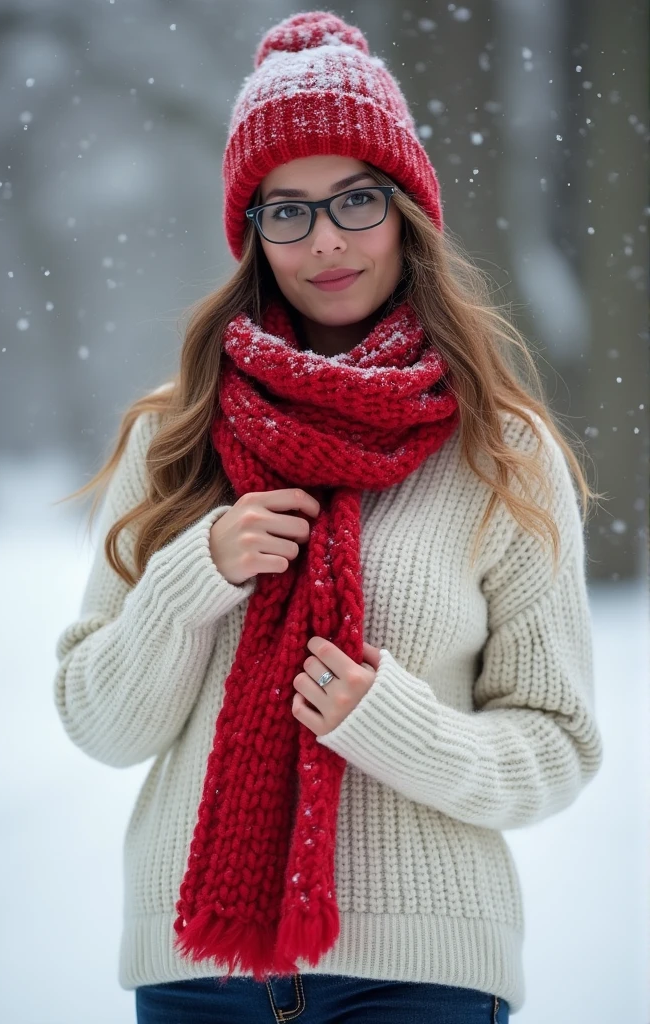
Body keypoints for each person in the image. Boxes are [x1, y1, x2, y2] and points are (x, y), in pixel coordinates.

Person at [53, 11, 604, 1024]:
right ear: (251, 231)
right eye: (287, 211)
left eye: (356, 200)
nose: (328, 241)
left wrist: (392, 726)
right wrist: (191, 576)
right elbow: (99, 721)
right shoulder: (174, 439)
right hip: (195, 979)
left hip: (421, 974)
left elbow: (556, 746)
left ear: (407, 211)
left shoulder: (500, 451)